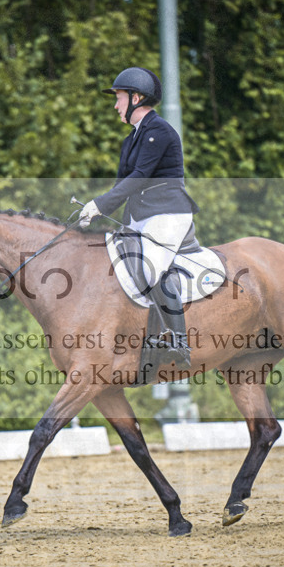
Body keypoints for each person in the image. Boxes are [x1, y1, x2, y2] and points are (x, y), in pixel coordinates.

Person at [79, 66, 199, 367]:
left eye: (119, 98)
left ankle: (179, 342)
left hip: (168, 212)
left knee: (151, 268)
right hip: (141, 215)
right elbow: (123, 184)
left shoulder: (159, 132)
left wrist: (100, 204)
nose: (115, 105)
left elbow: (141, 177)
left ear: (137, 98)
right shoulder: (130, 139)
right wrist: (94, 213)